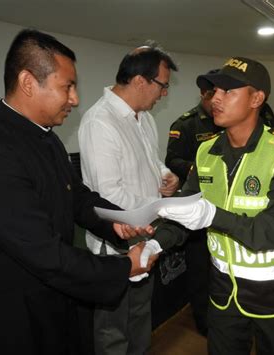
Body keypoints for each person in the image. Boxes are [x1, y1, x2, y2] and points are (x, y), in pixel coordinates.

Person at [0, 29, 157, 355]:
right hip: (10, 320)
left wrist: (115, 222)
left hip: (52, 301)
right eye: (68, 86)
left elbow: (75, 196)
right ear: (28, 83)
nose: (75, 99)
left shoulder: (46, 138)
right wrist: (123, 268)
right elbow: (44, 254)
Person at [157, 57, 274, 354]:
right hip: (223, 293)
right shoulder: (206, 151)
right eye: (214, 90)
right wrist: (154, 245)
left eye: (228, 91)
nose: (215, 97)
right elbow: (185, 209)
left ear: (257, 99)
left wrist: (212, 215)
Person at [78, 43, 179, 355]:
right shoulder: (100, 122)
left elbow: (150, 162)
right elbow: (110, 195)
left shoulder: (143, 118)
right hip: (117, 246)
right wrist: (161, 207)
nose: (164, 94)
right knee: (113, 330)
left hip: (145, 236)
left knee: (139, 318)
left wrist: (166, 175)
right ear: (140, 81)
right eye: (162, 86)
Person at [165, 68, 221, 336]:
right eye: (213, 96)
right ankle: (203, 319)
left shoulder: (228, 123)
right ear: (203, 95)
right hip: (197, 206)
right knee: (200, 269)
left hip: (223, 209)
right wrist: (199, 169)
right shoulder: (186, 124)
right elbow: (171, 160)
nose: (217, 102)